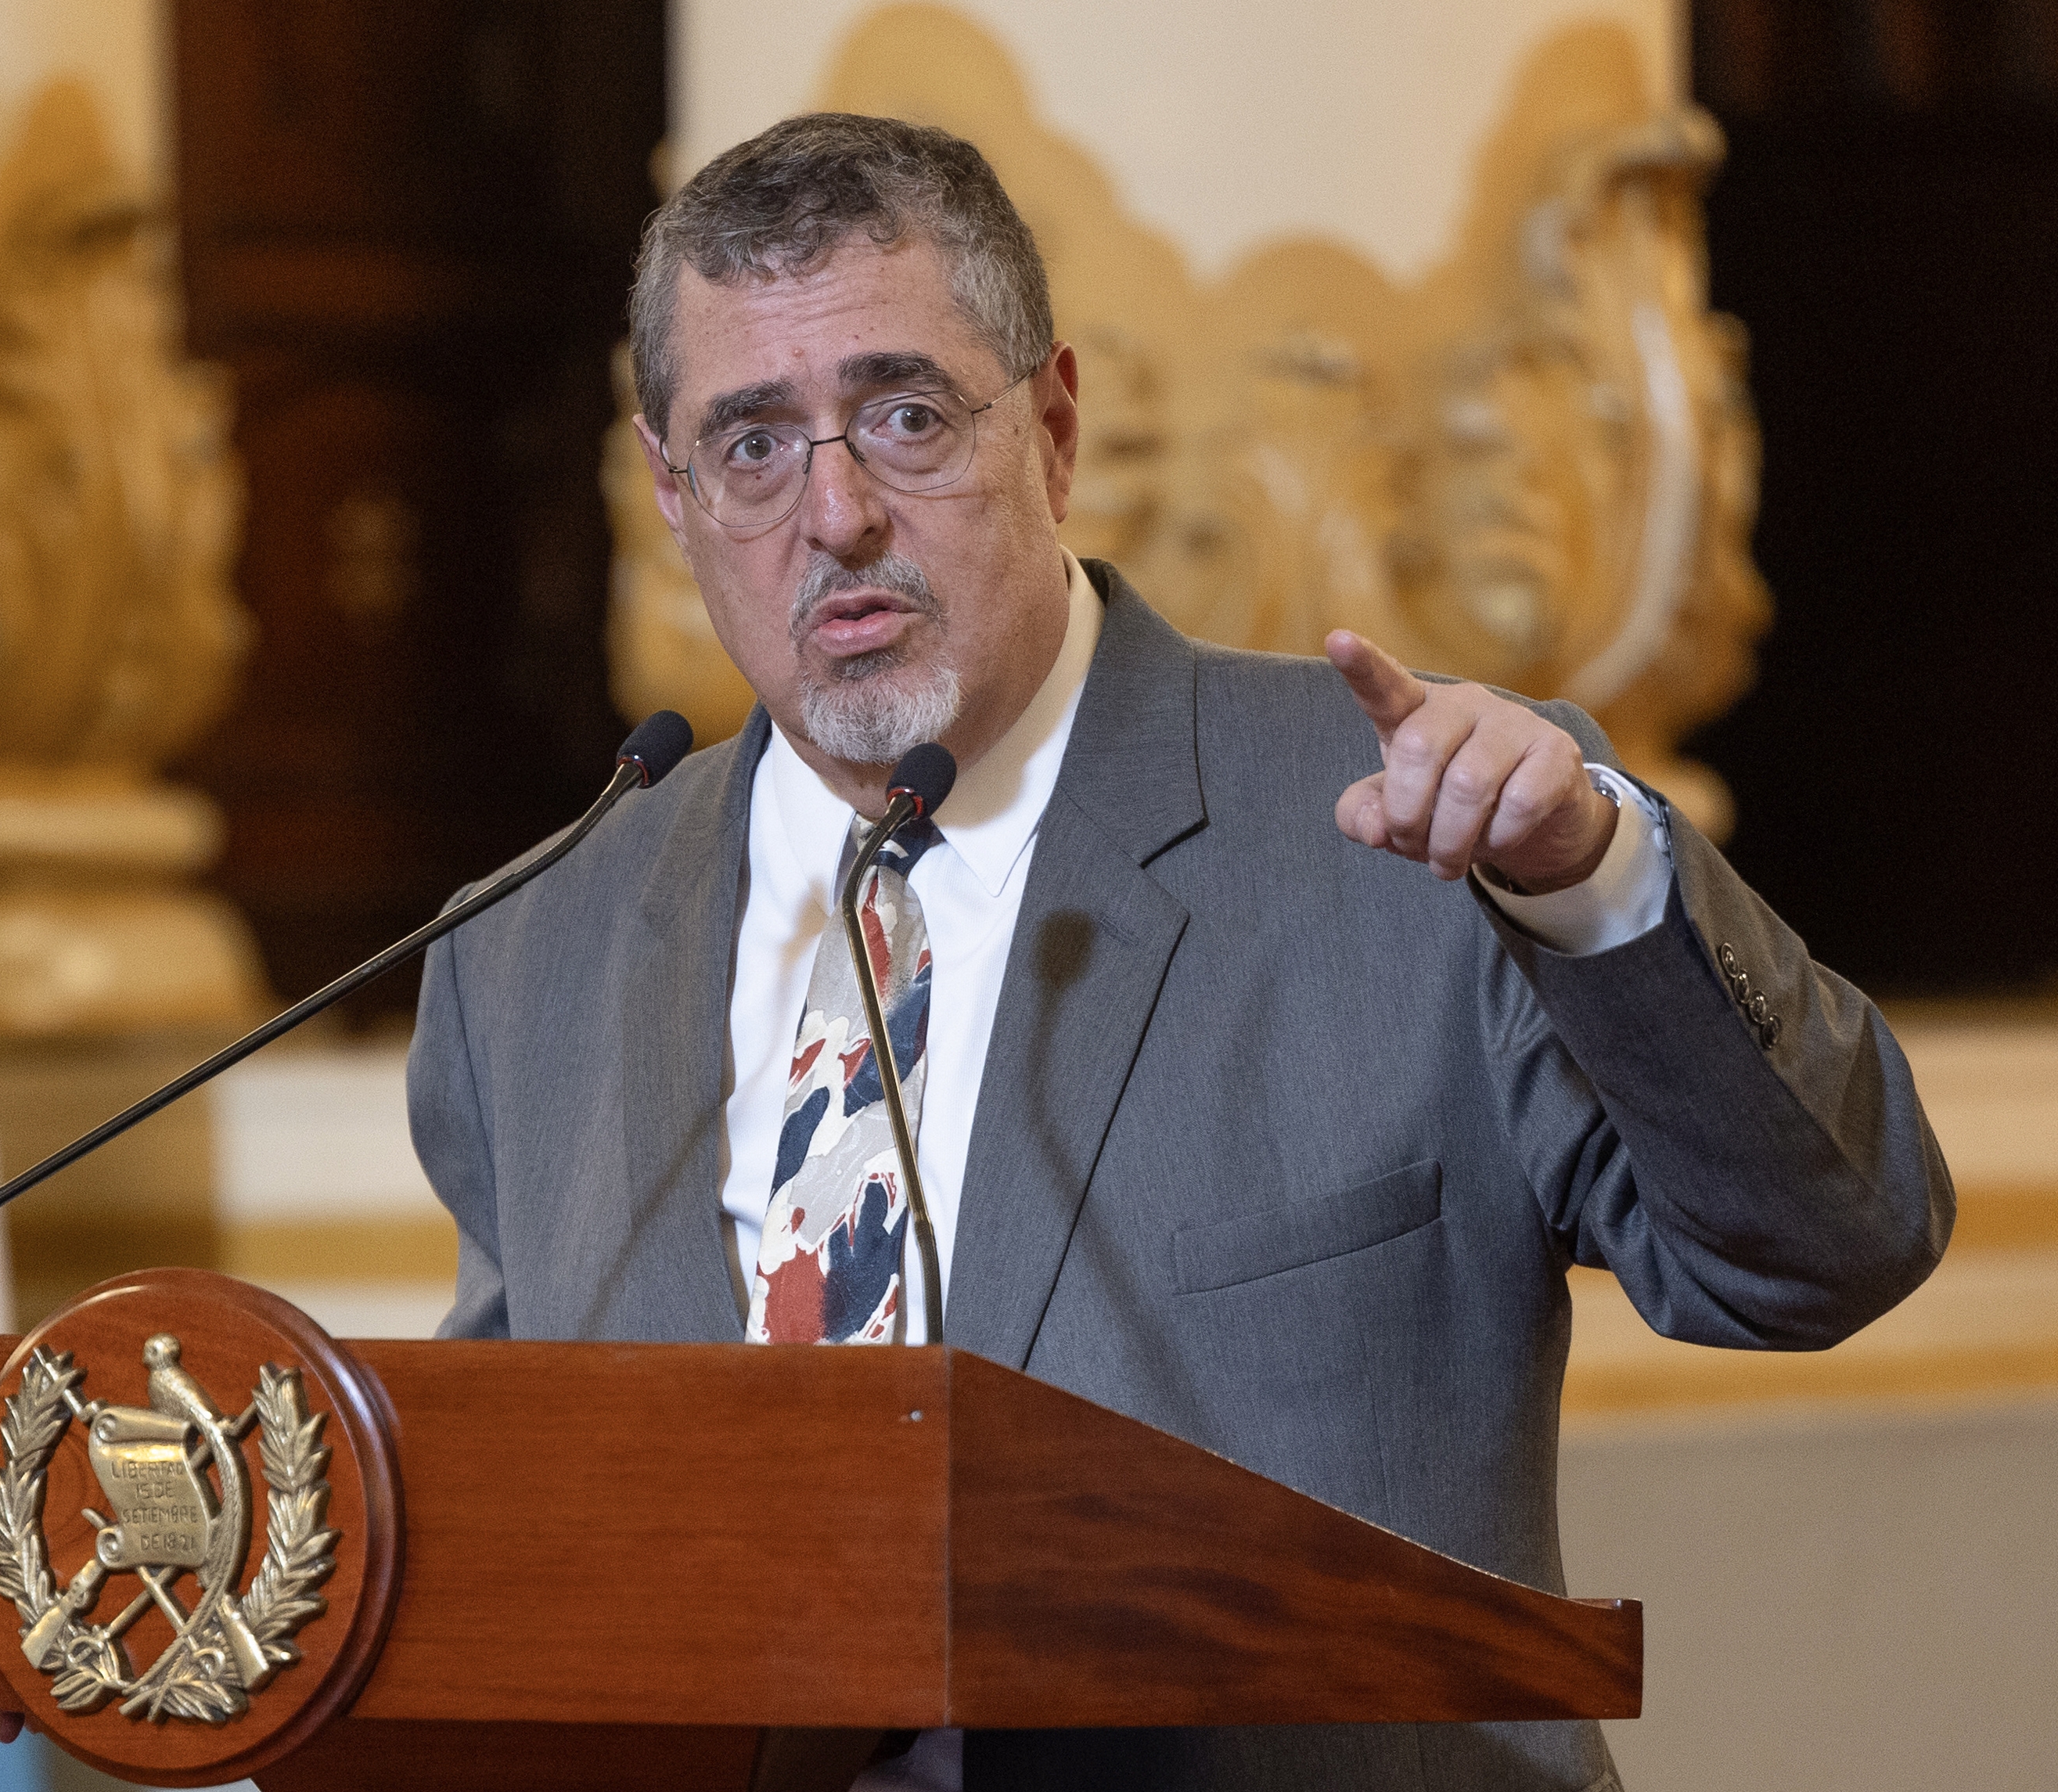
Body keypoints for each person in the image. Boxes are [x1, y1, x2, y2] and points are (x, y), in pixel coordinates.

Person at [405, 113, 1950, 1790]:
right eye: (755, 443)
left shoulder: (1413, 830)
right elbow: (525, 1547)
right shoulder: (527, 953)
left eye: (907, 416)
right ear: (670, 491)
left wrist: (1598, 887)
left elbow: (1826, 1249)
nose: (834, 511)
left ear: (1053, 427)